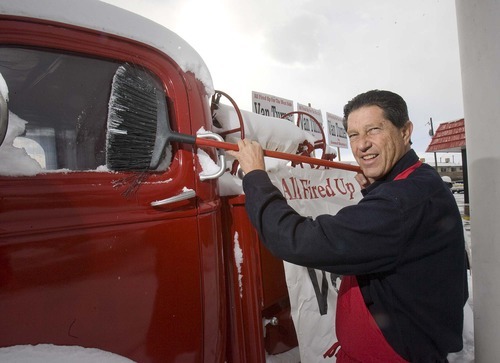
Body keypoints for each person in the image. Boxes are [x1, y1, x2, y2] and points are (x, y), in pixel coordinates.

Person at [228, 90, 468, 362]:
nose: (362, 144)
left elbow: (299, 240)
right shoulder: (420, 181)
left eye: (373, 130)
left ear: (405, 131)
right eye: (353, 135)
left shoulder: (401, 202)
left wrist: (256, 176)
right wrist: (379, 187)